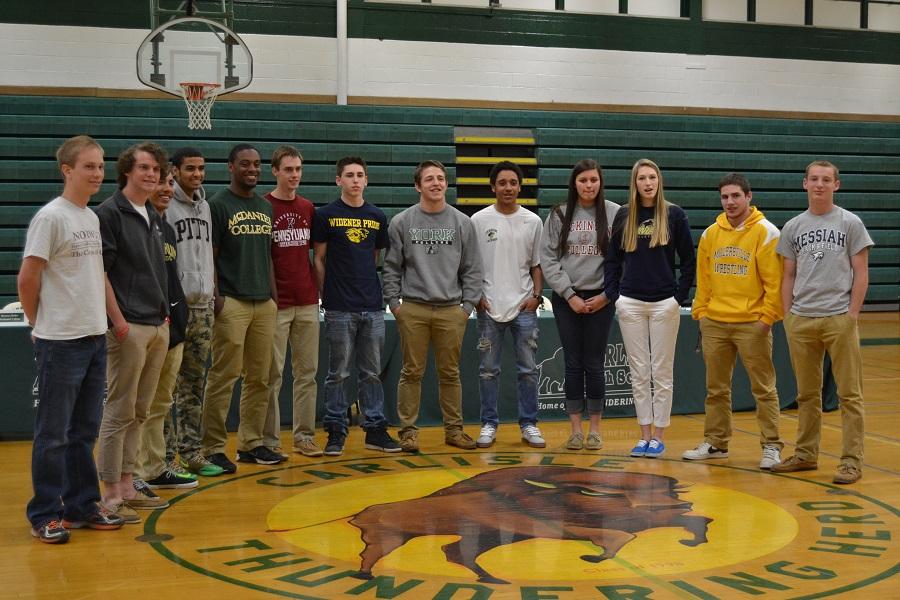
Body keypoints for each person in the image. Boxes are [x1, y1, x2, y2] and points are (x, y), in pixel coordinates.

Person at [20, 136, 125, 543]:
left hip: (94, 338)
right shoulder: (52, 218)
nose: (98, 173)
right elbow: (27, 278)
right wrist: (38, 324)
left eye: (100, 166)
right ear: (67, 170)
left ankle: (82, 505)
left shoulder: (91, 217)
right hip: (60, 343)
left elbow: (97, 275)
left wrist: (112, 318)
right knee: (53, 434)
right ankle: (44, 513)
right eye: (89, 166)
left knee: (84, 431)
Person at [772, 161, 873, 485]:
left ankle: (851, 461)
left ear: (836, 185)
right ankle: (805, 454)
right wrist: (788, 316)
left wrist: (852, 315)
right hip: (802, 320)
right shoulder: (793, 227)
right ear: (804, 184)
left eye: (826, 180)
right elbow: (787, 275)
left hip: (838, 318)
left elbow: (861, 273)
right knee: (806, 394)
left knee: (849, 394)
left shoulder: (850, 223)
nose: (819, 184)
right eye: (814, 179)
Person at [683, 173, 784, 470]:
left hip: (752, 323)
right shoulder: (711, 234)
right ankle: (716, 443)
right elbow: (704, 279)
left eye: (735, 196)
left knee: (763, 388)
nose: (730, 202)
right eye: (725, 197)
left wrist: (766, 319)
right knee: (716, 389)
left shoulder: (766, 232)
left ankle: (771, 445)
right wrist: (700, 313)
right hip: (715, 321)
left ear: (749, 197)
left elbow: (774, 283)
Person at [382, 160, 483, 452]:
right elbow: (390, 268)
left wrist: (467, 308)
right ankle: (408, 432)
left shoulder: (462, 223)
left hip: (452, 309)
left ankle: (454, 430)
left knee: (450, 373)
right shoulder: (402, 222)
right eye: (429, 179)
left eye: (440, 178)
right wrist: (395, 304)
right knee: (411, 372)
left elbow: (473, 268)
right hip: (412, 308)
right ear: (418, 186)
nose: (436, 183)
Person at [95, 142, 171, 524]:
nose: (151, 174)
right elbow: (101, 273)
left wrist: (164, 316)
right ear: (126, 170)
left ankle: (128, 484)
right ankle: (109, 494)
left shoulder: (154, 214)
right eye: (144, 168)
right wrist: (119, 322)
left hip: (157, 324)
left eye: (156, 169)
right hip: (128, 327)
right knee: (120, 409)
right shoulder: (109, 214)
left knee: (141, 410)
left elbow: (158, 270)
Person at [604, 158, 695, 459]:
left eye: (652, 177)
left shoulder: (674, 214)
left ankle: (659, 436)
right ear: (635, 182)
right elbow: (613, 261)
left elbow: (689, 261)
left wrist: (678, 298)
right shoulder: (624, 216)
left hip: (663, 304)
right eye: (642, 178)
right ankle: (643, 434)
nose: (647, 183)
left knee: (662, 371)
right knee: (639, 372)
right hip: (630, 303)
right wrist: (615, 295)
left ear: (659, 180)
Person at [202, 143, 284, 472]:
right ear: (231, 167)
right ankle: (212, 447)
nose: (252, 169)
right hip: (232, 301)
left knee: (260, 379)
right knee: (224, 376)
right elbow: (210, 254)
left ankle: (251, 443)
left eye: (256, 164)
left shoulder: (265, 207)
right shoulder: (218, 204)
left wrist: (274, 297)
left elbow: (268, 256)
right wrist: (217, 297)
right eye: (245, 164)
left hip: (263, 302)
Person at [313, 156, 401, 456]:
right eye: (348, 175)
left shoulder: (377, 215)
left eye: (359, 175)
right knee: (338, 372)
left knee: (371, 372)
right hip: (338, 307)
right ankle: (336, 430)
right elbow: (319, 259)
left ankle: (374, 429)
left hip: (372, 306)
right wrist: (327, 295)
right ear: (338, 180)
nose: (354, 180)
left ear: (366, 180)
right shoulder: (325, 215)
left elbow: (374, 256)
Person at [540, 159, 619, 450]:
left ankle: (595, 430)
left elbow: (621, 260)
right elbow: (548, 258)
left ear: (601, 182)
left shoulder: (614, 213)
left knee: (595, 363)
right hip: (567, 299)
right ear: (575, 183)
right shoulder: (559, 213)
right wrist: (569, 294)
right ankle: (575, 430)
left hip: (602, 298)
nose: (589, 185)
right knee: (573, 363)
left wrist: (607, 295)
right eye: (583, 180)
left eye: (593, 180)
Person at [131, 169, 194, 511]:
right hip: (144, 326)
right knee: (138, 405)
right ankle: (133, 472)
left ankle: (154, 468)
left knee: (160, 403)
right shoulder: (132, 226)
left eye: (169, 182)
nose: (167, 189)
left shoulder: (166, 229)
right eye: (160, 182)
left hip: (172, 327)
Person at [472, 161, 545, 449]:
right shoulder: (478, 220)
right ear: (493, 187)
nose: (508, 188)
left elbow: (537, 265)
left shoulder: (533, 221)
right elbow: (471, 266)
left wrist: (536, 296)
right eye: (502, 183)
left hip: (523, 308)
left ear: (520, 186)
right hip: (489, 308)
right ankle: (488, 424)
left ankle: (529, 424)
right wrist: (477, 296)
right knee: (488, 370)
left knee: (528, 369)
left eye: (513, 183)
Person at [164, 147, 223, 477]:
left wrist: (213, 290)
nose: (197, 174)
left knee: (194, 386)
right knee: (167, 389)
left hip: (203, 308)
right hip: (176, 307)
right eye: (190, 169)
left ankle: (192, 452)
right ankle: (168, 457)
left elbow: (207, 254)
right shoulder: (165, 205)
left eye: (201, 168)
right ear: (174, 171)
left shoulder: (205, 207)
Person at [264, 145, 322, 457]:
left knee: (307, 374)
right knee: (272, 376)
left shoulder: (308, 207)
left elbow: (316, 254)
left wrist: (318, 291)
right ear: (275, 171)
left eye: (298, 169)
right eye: (288, 170)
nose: (294, 175)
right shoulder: (264, 207)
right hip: (277, 303)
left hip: (308, 301)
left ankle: (304, 437)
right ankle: (270, 441)